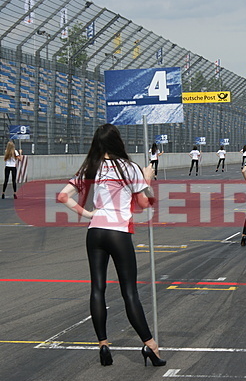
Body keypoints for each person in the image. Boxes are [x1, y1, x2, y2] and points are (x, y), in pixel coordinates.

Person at [57, 124, 166, 367]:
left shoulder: (92, 166)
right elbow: (145, 204)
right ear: (118, 142)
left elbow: (63, 196)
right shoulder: (130, 167)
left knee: (97, 288)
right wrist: (147, 180)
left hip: (95, 230)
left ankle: (103, 345)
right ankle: (150, 345)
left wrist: (87, 214)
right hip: (118, 231)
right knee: (129, 292)